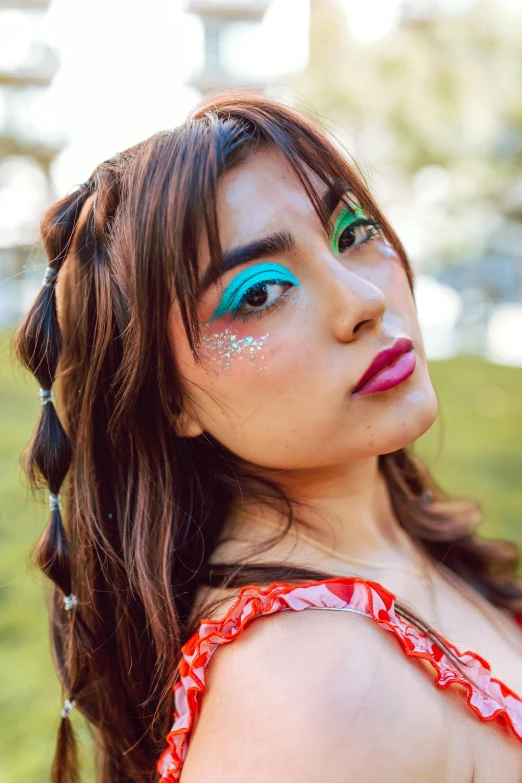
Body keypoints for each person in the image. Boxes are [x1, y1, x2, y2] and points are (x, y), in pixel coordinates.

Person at [14, 91, 522, 783]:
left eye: (351, 232)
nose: (362, 301)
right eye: (259, 292)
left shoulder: (393, 553)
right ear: (167, 397)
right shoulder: (314, 690)